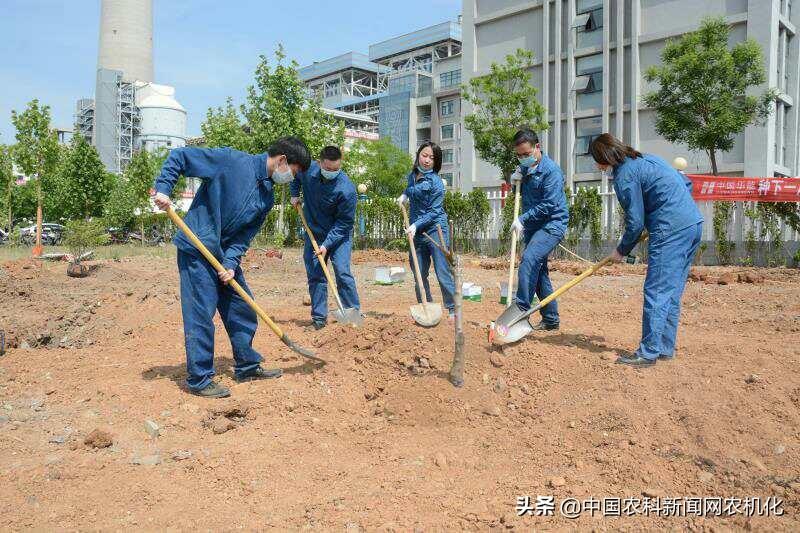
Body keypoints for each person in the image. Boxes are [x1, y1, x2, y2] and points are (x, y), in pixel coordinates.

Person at [153, 137, 311, 398]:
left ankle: (247, 365)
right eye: (293, 173)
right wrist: (163, 189)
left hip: (223, 256)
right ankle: (200, 378)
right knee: (201, 314)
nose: (290, 179)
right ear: (282, 160)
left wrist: (230, 264)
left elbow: (243, 237)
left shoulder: (266, 196)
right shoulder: (230, 161)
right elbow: (180, 157)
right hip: (198, 248)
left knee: (242, 306)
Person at [589, 133, 703, 367]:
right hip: (693, 224)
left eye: (596, 160)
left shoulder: (625, 176)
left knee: (657, 290)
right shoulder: (647, 159)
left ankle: (648, 352)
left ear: (604, 159)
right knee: (670, 292)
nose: (596, 166)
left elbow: (635, 222)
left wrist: (621, 250)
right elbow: (686, 183)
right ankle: (663, 348)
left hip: (670, 231)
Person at [290, 146, 360, 330]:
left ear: (340, 165)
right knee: (316, 274)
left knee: (342, 272)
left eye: (335, 170)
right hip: (314, 232)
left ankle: (352, 316)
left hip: (339, 236)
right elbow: (295, 175)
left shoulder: (347, 190)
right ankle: (319, 319)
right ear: (320, 163)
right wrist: (294, 194)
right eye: (328, 169)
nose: (331, 173)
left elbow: (344, 223)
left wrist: (327, 245)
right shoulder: (308, 170)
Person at [509, 128, 569, 329]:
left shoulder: (551, 171)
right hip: (534, 226)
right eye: (519, 155)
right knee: (540, 271)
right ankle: (551, 319)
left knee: (529, 260)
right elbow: (521, 194)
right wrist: (514, 180)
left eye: (526, 154)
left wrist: (522, 219)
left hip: (552, 224)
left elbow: (549, 205)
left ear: (537, 147)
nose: (523, 158)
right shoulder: (526, 169)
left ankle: (520, 308)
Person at [396, 141, 456, 319]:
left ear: (436, 161)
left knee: (442, 270)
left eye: (432, 157)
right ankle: (426, 304)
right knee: (418, 271)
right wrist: (405, 195)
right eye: (424, 155)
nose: (427, 160)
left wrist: (415, 225)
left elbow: (434, 212)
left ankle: (453, 308)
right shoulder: (412, 175)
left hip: (435, 229)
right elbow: (410, 188)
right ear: (418, 155)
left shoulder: (437, 183)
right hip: (416, 231)